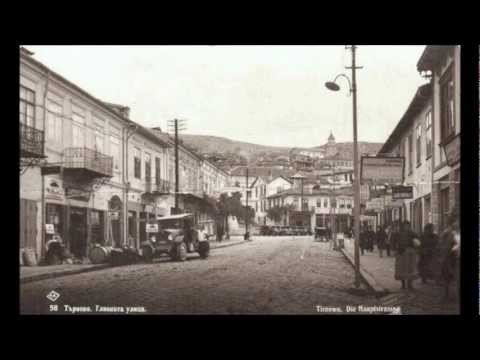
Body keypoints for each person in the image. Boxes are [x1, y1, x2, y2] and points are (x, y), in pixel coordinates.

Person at [433, 213, 460, 302]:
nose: (457, 223)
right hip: (450, 258)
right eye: (456, 221)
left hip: (453, 257)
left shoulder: (454, 232)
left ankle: (450, 295)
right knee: (448, 277)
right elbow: (444, 247)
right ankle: (447, 295)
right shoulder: (448, 233)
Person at [394, 221, 420, 290]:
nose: (406, 227)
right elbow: (394, 241)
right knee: (401, 269)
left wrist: (416, 244)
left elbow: (418, 240)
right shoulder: (399, 233)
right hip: (401, 253)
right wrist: (395, 249)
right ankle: (403, 285)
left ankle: (409, 285)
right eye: (405, 226)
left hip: (410, 252)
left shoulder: (412, 233)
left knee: (410, 269)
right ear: (403, 226)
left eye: (408, 226)